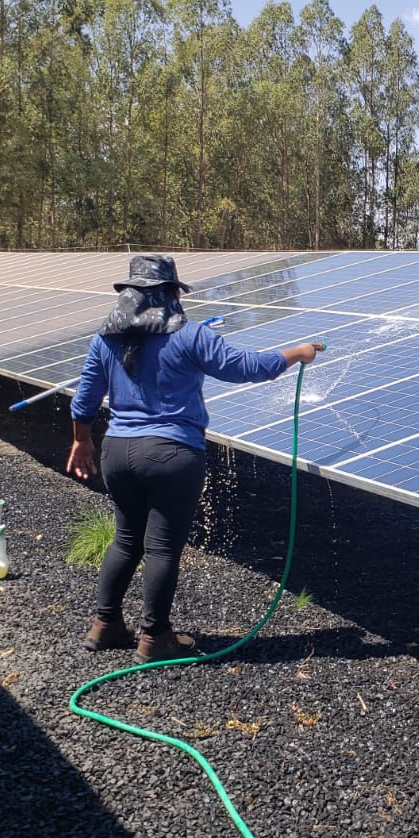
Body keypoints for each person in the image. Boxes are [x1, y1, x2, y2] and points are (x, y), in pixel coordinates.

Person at [66, 254, 323, 663]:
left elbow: (84, 401)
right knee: (163, 548)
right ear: (170, 294)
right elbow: (247, 367)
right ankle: (154, 639)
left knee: (126, 539)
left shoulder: (106, 338)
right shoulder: (190, 336)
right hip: (172, 453)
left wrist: (82, 443)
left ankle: (105, 626)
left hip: (117, 450)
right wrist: (297, 352)